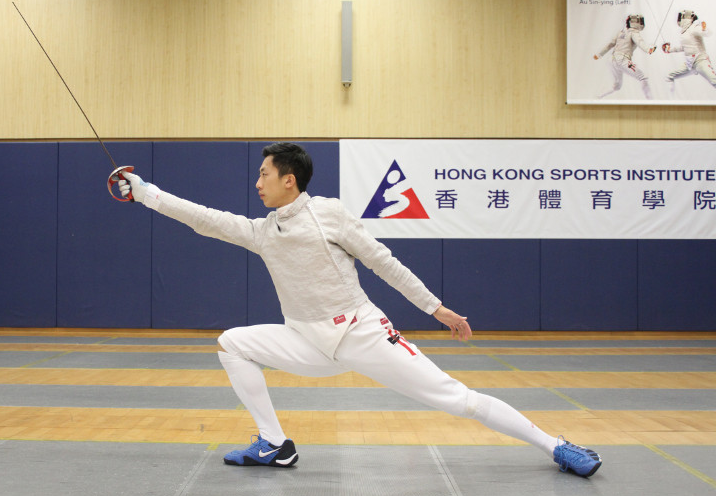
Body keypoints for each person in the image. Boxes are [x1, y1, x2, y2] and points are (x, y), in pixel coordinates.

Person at [117, 142, 602, 477]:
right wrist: (145, 193)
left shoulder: (329, 213)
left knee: (459, 400)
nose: (257, 181)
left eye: (264, 174)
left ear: (289, 179)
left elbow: (383, 262)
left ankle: (556, 445)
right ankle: (275, 445)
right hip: (308, 341)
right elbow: (206, 219)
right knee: (232, 344)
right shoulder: (264, 232)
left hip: (362, 335)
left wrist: (436, 309)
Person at [594, 14, 656, 99]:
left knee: (617, 86)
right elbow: (640, 42)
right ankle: (651, 101)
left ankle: (598, 96)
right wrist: (649, 49)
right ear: (636, 22)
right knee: (643, 77)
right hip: (622, 60)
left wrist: (599, 55)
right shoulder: (634, 33)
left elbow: (610, 44)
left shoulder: (621, 32)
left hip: (611, 60)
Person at [662, 10, 716, 95]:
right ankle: (670, 94)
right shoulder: (684, 32)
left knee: (714, 80)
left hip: (700, 60)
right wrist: (669, 50)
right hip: (689, 63)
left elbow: (706, 32)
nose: (678, 20)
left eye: (680, 17)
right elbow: (683, 47)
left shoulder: (694, 27)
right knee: (670, 76)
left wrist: (704, 29)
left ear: (686, 18)